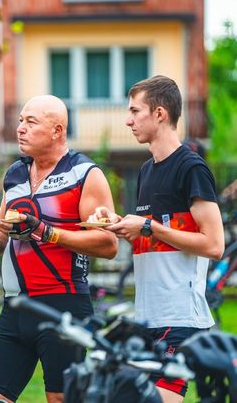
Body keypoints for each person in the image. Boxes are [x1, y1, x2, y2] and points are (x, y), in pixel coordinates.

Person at [0, 95, 118, 403]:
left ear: (57, 130)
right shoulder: (15, 174)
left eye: (31, 122)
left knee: (60, 399)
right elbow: (3, 235)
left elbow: (108, 244)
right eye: (20, 121)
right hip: (15, 307)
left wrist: (46, 232)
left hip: (63, 306)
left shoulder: (84, 173)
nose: (20, 128)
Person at [89, 75, 225, 403]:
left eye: (135, 111)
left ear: (160, 113)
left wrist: (148, 226)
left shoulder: (191, 168)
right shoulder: (147, 170)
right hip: (147, 316)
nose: (128, 120)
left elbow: (214, 245)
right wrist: (119, 225)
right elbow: (153, 237)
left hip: (180, 317)